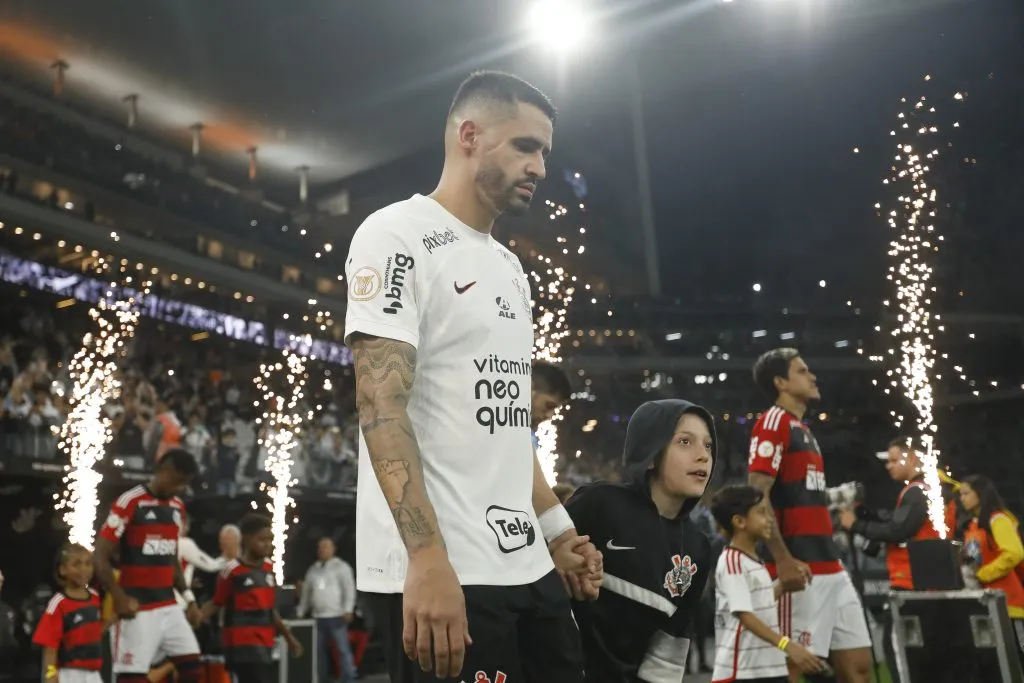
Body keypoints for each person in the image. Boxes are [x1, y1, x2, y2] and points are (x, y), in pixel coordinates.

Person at [344, 70, 600, 682]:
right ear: (468, 135)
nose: (539, 166)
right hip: (445, 568)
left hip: (524, 562)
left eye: (544, 152)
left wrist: (559, 532)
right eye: (524, 146)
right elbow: (381, 408)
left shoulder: (512, 269)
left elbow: (510, 427)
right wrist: (427, 558)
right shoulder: (395, 234)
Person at [564, 399, 715, 682]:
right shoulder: (599, 503)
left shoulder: (698, 547)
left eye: (708, 446)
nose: (703, 456)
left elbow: (667, 649)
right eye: (685, 442)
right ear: (652, 453)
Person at [746, 348, 872, 683]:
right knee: (793, 668)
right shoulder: (772, 423)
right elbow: (757, 494)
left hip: (831, 566)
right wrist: (782, 559)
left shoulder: (803, 430)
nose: (813, 376)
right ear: (781, 383)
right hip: (799, 569)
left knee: (859, 668)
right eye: (802, 371)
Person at [93, 448, 204, 683]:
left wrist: (190, 599)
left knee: (193, 667)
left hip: (169, 604)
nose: (181, 488)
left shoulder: (177, 507)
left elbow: (172, 560)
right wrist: (119, 597)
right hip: (137, 606)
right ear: (165, 471)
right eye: (179, 481)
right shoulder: (130, 502)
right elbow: (100, 556)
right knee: (132, 677)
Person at [837, 437, 942, 683]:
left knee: (899, 651)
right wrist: (865, 514)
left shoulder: (917, 492)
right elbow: (895, 520)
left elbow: (898, 530)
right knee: (921, 656)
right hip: (927, 581)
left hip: (911, 583)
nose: (888, 466)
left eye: (894, 460)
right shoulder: (928, 489)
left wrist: (857, 524)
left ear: (913, 458)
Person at [709, 485, 824, 683]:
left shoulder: (753, 560)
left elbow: (756, 603)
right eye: (761, 513)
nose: (769, 519)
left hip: (768, 669)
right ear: (739, 521)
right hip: (742, 672)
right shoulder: (732, 562)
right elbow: (745, 615)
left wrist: (783, 585)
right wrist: (787, 645)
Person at [201, 514, 302, 683]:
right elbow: (216, 603)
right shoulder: (231, 571)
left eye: (270, 540)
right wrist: (196, 616)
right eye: (262, 539)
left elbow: (270, 609)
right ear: (246, 540)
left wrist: (289, 637)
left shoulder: (269, 568)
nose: (268, 544)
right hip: (241, 645)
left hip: (265, 644)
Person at [958, 475, 1024, 665]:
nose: (962, 498)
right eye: (961, 494)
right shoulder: (972, 526)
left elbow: (1014, 553)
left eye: (966, 493)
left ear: (981, 494)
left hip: (1009, 605)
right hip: (984, 605)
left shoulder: (998, 520)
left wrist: (983, 575)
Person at [33, 544, 105, 683]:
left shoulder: (95, 598)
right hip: (69, 675)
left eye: (88, 564)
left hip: (94, 675)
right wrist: (50, 677)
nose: (84, 569)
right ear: (62, 570)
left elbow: (94, 631)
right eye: (76, 564)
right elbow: (50, 649)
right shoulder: (59, 603)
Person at [297, 538, 359, 683]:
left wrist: (348, 609)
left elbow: (349, 589)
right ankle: (321, 679)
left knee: (343, 650)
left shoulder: (341, 567)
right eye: (320, 547)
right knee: (318, 653)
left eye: (325, 547)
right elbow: (307, 593)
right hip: (318, 617)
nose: (322, 550)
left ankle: (349, 679)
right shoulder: (313, 570)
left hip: (336, 615)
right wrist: (300, 612)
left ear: (333, 549)